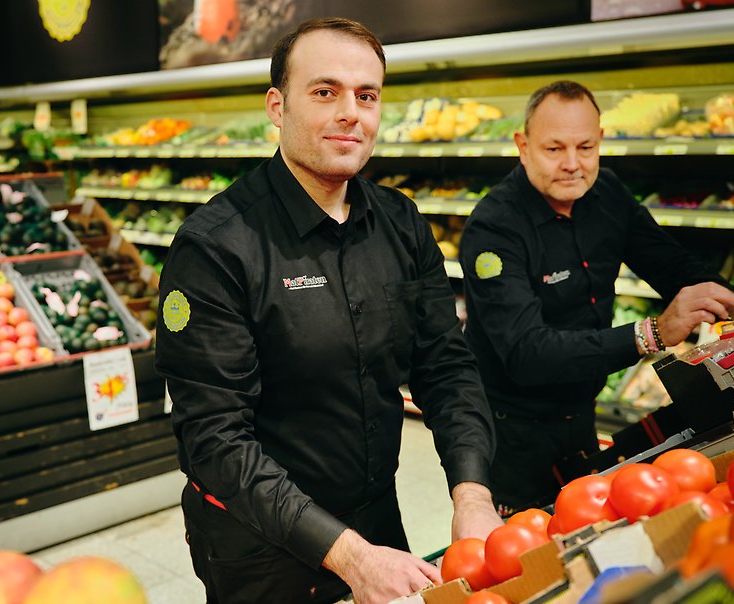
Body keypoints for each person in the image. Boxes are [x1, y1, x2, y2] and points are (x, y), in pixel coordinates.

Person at [155, 17, 503, 604]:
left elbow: (446, 368)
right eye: (325, 92)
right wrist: (349, 556)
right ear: (277, 105)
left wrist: (472, 493)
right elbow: (215, 439)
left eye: (366, 95)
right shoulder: (215, 248)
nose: (351, 112)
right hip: (261, 547)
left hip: (377, 522)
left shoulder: (401, 224)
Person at [458, 80, 734, 514]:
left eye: (585, 147)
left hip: (580, 411)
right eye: (553, 149)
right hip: (511, 432)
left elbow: (669, 264)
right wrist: (652, 332)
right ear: (522, 146)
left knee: (586, 520)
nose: (572, 164)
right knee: (527, 543)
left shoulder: (608, 194)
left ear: (601, 140)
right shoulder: (494, 228)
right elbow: (527, 353)